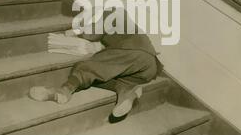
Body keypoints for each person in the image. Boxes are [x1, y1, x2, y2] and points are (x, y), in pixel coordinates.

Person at [29, 6, 163, 119]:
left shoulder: (111, 14)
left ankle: (64, 91)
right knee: (115, 80)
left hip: (132, 52)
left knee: (86, 68)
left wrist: (76, 33)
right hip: (149, 68)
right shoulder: (129, 26)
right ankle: (127, 93)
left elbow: (92, 34)